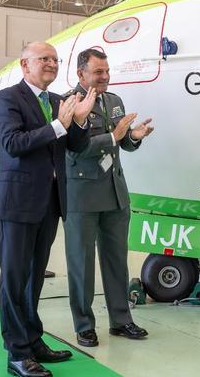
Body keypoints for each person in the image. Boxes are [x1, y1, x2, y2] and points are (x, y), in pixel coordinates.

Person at [0, 41, 96, 377]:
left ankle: (33, 341)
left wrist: (78, 121)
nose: (51, 63)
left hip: (49, 202)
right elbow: (13, 144)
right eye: (44, 59)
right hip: (18, 203)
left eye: (54, 59)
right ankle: (17, 353)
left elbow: (76, 147)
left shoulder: (57, 101)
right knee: (14, 278)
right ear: (25, 64)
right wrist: (58, 125)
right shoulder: (8, 98)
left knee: (33, 279)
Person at [64, 48, 154, 348]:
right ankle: (84, 325)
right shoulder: (68, 103)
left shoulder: (113, 101)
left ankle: (121, 320)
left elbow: (121, 143)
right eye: (98, 72)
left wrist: (133, 137)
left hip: (115, 193)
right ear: (81, 74)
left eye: (106, 71)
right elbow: (74, 148)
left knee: (116, 261)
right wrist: (114, 136)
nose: (105, 77)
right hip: (83, 194)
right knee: (82, 263)